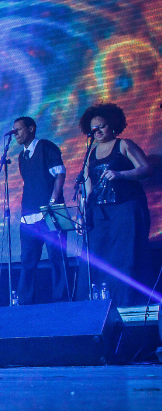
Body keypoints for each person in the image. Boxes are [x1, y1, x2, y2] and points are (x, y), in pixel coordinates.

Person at [79, 103, 152, 306]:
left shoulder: (124, 144)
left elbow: (146, 169)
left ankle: (127, 303)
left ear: (112, 124)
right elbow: (87, 186)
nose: (98, 131)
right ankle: (101, 303)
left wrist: (120, 174)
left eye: (101, 126)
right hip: (99, 212)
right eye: (94, 128)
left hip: (125, 208)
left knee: (125, 257)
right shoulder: (90, 153)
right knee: (99, 257)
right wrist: (82, 213)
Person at [12, 116, 70, 304]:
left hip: (50, 212)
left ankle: (62, 301)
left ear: (31, 129)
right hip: (29, 216)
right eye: (14, 131)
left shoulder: (46, 147)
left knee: (57, 258)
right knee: (27, 262)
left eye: (19, 129)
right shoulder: (21, 157)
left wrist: (53, 201)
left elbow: (59, 174)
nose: (16, 134)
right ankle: (25, 303)